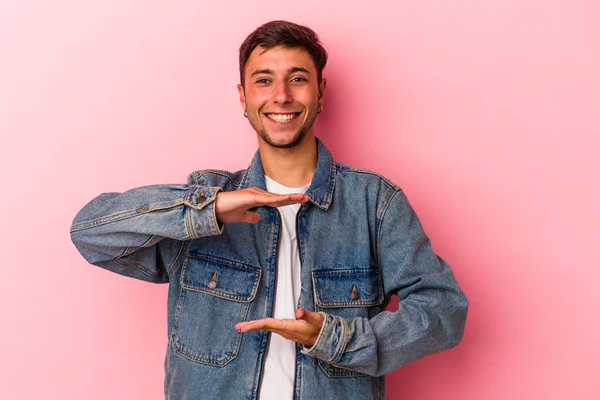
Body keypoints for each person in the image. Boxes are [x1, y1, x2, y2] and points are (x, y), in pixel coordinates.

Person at [70, 20, 468, 400]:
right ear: (243, 96)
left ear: (320, 91)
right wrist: (209, 208)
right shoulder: (206, 198)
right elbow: (90, 234)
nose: (281, 95)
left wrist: (335, 339)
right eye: (264, 80)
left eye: (297, 78)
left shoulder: (374, 203)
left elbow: (444, 310)